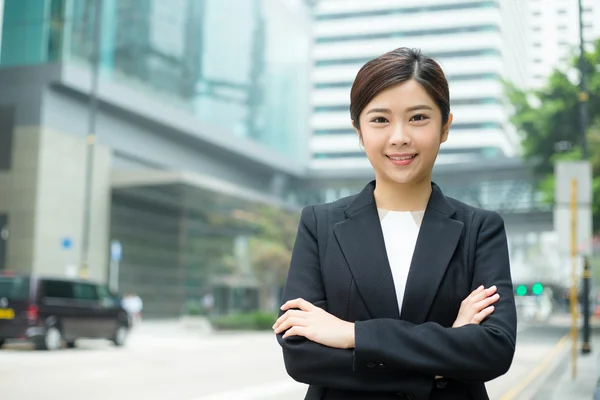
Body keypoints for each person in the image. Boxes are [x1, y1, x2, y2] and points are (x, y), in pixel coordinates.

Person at [273, 48, 517, 400]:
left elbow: (494, 349)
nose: (399, 137)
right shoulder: (319, 225)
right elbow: (302, 356)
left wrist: (352, 335)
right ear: (359, 131)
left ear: (445, 126)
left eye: (418, 118)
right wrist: (444, 356)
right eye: (380, 120)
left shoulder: (480, 229)